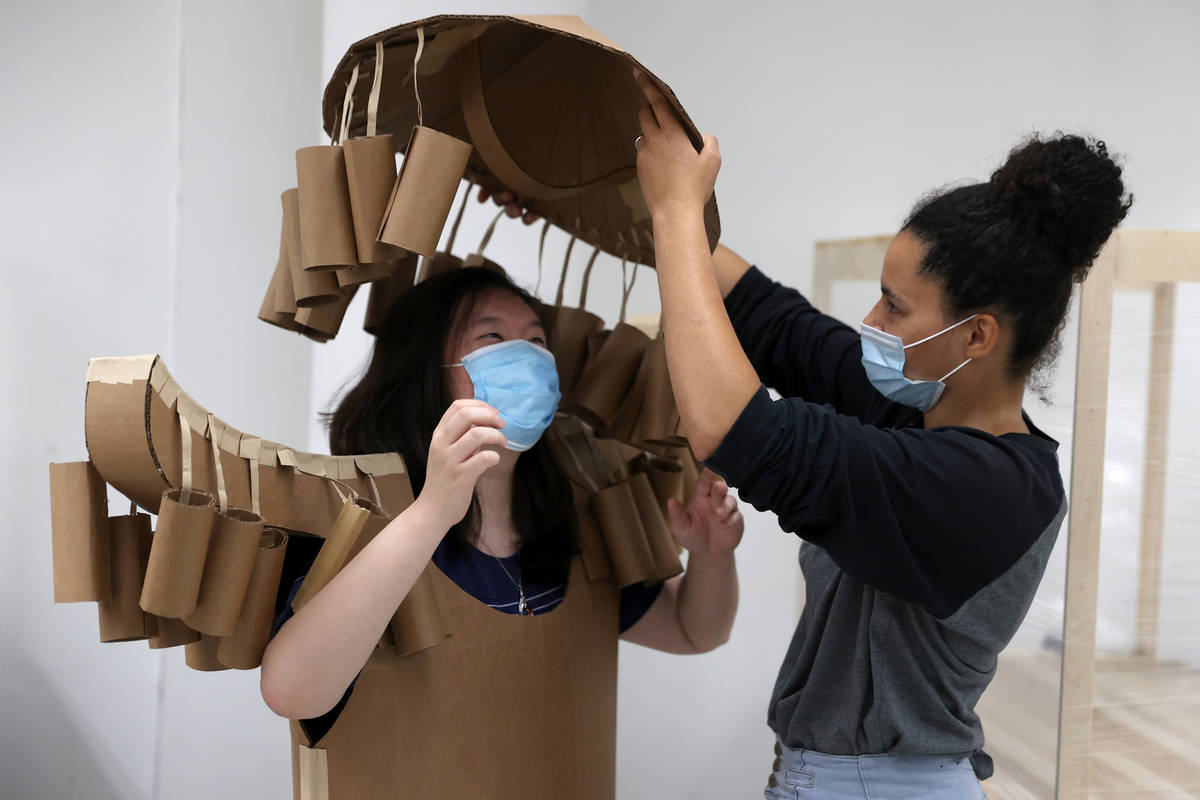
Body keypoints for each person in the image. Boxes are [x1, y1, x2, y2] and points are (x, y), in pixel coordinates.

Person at [630, 70, 1129, 798]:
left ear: (977, 335)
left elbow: (736, 431)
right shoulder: (918, 413)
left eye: (896, 307)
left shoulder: (987, 488)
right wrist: (607, 196)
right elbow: (770, 318)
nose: (871, 322)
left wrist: (675, 212)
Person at [259, 265, 744, 798]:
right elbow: (293, 691)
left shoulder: (580, 524)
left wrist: (712, 556)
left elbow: (695, 630)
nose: (527, 357)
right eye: (492, 337)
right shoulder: (356, 520)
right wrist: (432, 512)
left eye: (537, 340)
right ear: (425, 370)